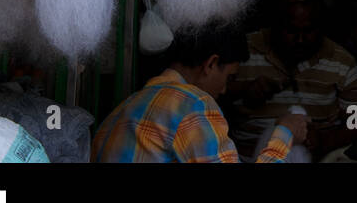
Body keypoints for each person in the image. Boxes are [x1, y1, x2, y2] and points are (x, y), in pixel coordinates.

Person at [91, 26, 307, 163]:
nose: (224, 90)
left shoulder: (122, 110)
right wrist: (284, 134)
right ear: (211, 64)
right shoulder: (193, 105)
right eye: (229, 77)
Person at [229, 0, 357, 160]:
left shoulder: (342, 63)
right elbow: (207, 96)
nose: (300, 40)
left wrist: (325, 140)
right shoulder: (243, 51)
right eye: (291, 30)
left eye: (309, 30)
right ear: (275, 23)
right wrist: (242, 90)